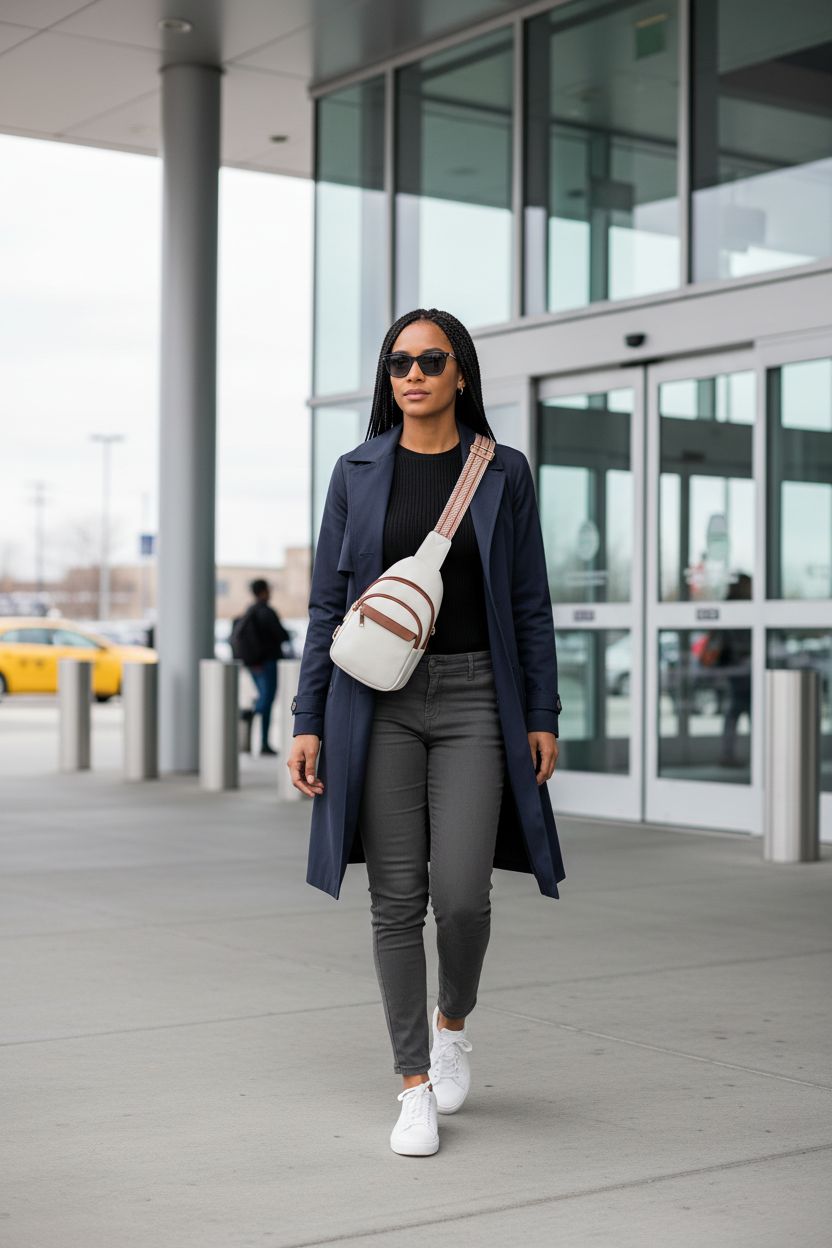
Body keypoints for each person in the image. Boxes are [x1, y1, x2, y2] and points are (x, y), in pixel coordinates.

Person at [287, 308, 564, 1157]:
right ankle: (413, 1085)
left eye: (430, 360)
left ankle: (452, 1026)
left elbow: (530, 601)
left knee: (464, 897)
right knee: (396, 900)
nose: (412, 374)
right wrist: (307, 718)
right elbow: (328, 605)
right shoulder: (356, 470)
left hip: (477, 696)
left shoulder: (503, 472)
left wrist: (543, 712)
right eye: (398, 362)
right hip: (377, 702)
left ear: (460, 373)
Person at [231, 579, 290, 757]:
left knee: (265, 698)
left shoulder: (249, 612)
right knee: (267, 700)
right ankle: (257, 728)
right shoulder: (266, 612)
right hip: (268, 662)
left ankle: (262, 739)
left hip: (253, 664)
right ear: (263, 591)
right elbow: (282, 635)